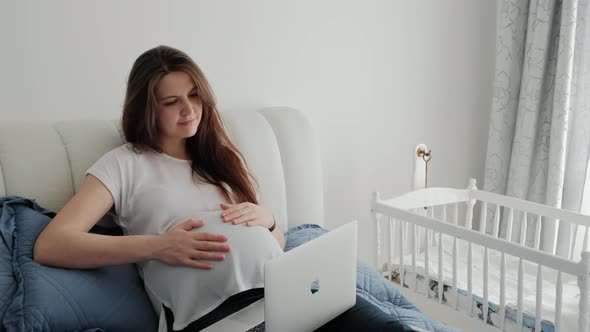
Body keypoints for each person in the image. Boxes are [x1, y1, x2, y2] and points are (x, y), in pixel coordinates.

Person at [34, 45, 414, 332]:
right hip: (217, 319)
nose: (189, 109)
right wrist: (159, 245)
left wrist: (267, 221)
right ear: (147, 109)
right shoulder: (124, 163)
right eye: (172, 102)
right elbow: (52, 244)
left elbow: (273, 246)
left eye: (194, 94)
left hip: (293, 302)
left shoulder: (220, 158)